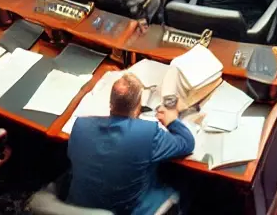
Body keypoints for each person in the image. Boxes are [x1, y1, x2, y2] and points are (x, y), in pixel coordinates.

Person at [66, 72, 193, 215]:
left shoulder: (80, 126)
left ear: (111, 103)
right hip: (128, 210)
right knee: (185, 183)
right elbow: (186, 143)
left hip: (79, 207)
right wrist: (172, 120)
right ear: (138, 106)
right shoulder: (147, 133)